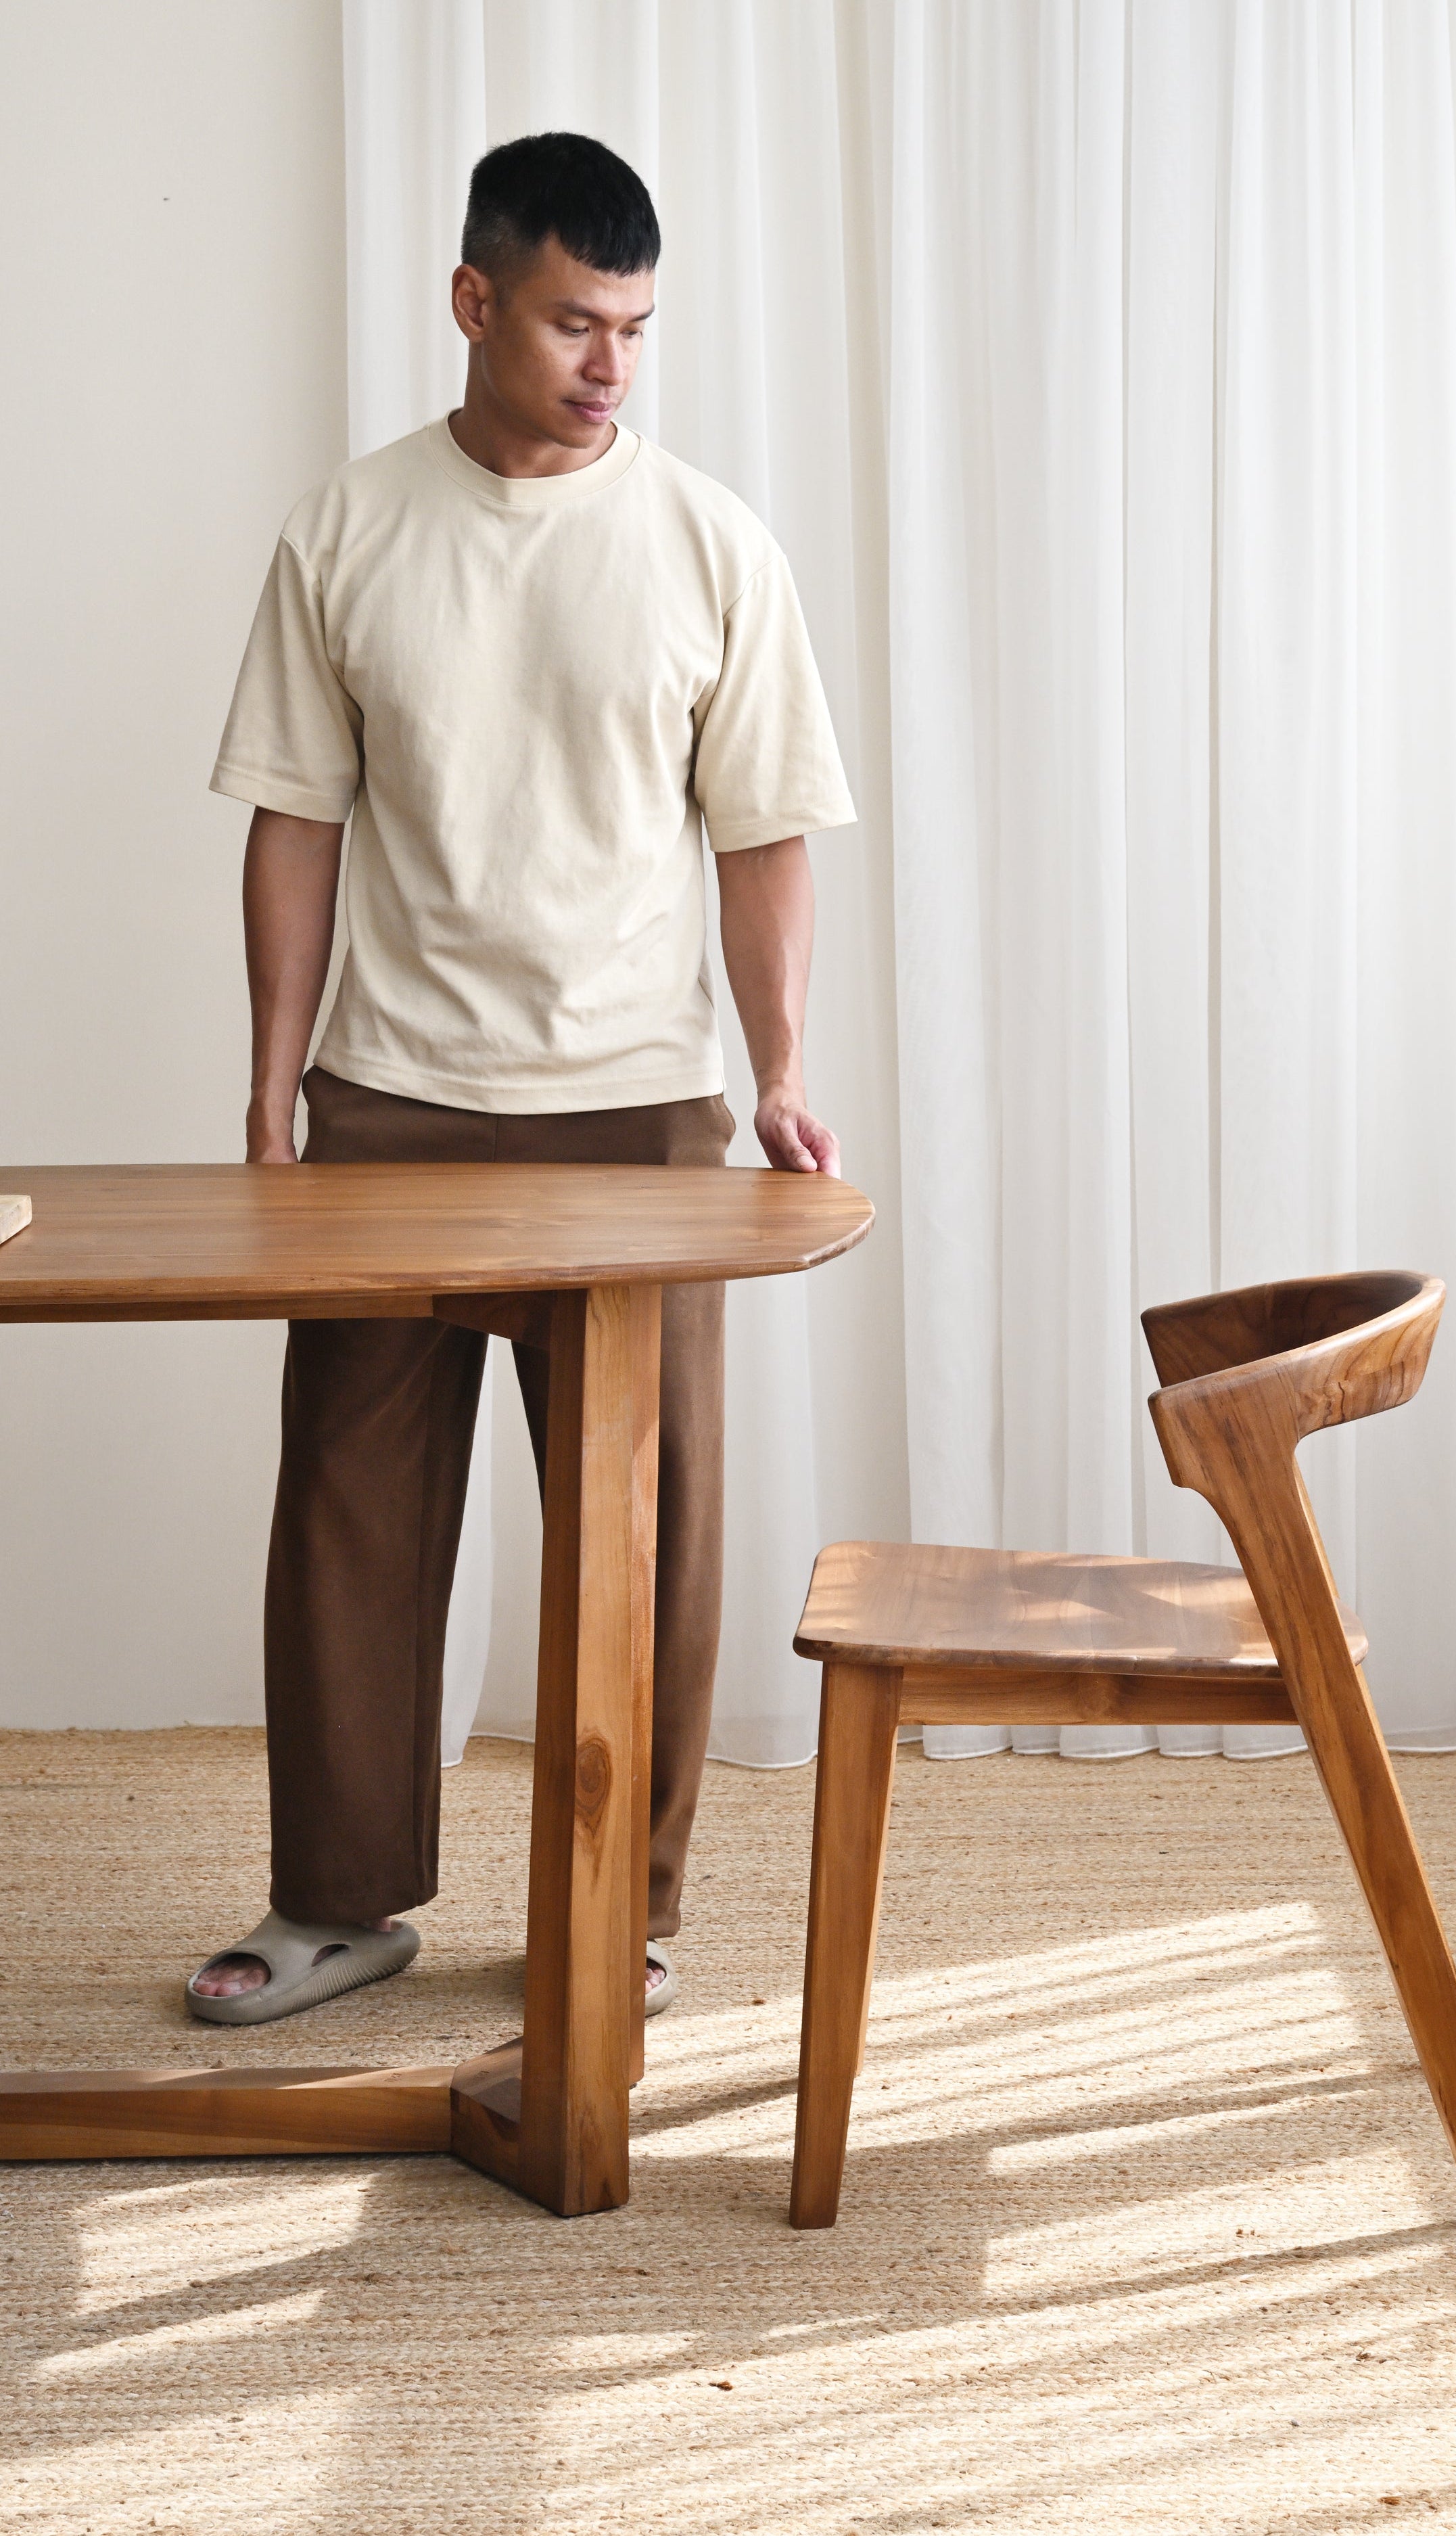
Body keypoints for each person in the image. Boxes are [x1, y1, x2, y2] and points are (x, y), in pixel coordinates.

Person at [187, 131, 854, 2024]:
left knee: (647, 1527)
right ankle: (336, 1903)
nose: (612, 365)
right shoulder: (351, 528)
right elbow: (295, 823)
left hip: (637, 1111)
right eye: (576, 319)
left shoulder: (714, 543)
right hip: (389, 1097)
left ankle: (617, 1914)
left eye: (637, 328)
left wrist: (783, 1067)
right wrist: (267, 1097)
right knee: (348, 1511)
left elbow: (768, 831)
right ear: (475, 300)